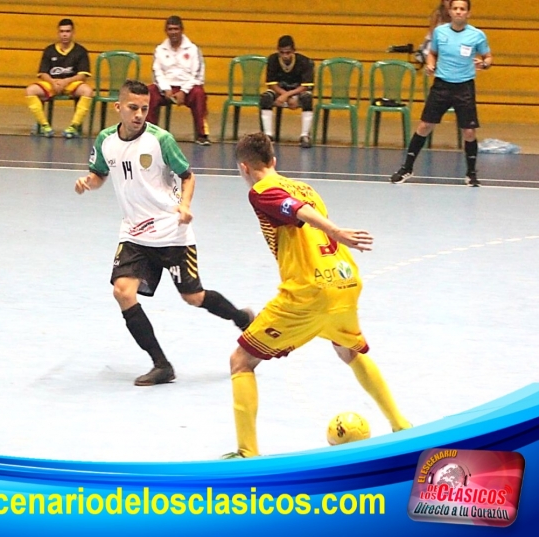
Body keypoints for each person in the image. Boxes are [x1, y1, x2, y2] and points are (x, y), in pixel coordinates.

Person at [223, 132, 411, 458]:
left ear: (244, 168)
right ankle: (401, 426)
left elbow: (296, 212)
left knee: (241, 361)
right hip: (344, 281)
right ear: (274, 161)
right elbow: (302, 209)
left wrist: (336, 231)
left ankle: (246, 454)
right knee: (350, 351)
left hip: (308, 293)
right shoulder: (305, 187)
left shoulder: (261, 192)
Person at [75, 80, 252, 386]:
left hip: (172, 233)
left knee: (193, 297)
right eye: (132, 108)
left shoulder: (161, 140)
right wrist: (88, 182)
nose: (139, 114)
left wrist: (184, 205)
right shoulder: (105, 140)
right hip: (134, 234)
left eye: (144, 108)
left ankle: (241, 318)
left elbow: (188, 176)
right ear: (118, 107)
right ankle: (161, 365)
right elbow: (100, 173)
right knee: (122, 292)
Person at [390, 0, 491, 187]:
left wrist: (484, 64)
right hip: (442, 86)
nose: (459, 12)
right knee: (424, 126)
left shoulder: (477, 35)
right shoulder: (440, 32)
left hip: (464, 87)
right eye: (455, 9)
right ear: (450, 12)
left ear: (468, 13)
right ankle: (407, 168)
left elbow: (488, 57)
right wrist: (430, 63)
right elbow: (432, 53)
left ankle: (471, 173)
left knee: (469, 131)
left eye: (462, 9)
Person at [147, 16, 211, 146]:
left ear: (182, 30)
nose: (173, 32)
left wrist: (183, 91)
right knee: (150, 91)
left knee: (199, 93)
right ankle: (149, 133)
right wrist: (166, 89)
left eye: (176, 29)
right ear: (166, 31)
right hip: (166, 89)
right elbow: (156, 72)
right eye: (170, 29)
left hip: (188, 88)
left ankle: (202, 135)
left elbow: (197, 75)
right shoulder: (160, 50)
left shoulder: (193, 49)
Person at [25, 18, 93, 139]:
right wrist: (53, 82)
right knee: (30, 90)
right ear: (58, 33)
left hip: (72, 83)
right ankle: (44, 126)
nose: (65, 34)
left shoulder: (80, 51)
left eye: (67, 31)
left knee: (87, 91)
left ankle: (73, 127)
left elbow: (82, 75)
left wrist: (65, 81)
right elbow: (42, 73)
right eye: (62, 31)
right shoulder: (49, 50)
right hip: (52, 83)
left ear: (73, 33)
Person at [260, 35, 315, 148]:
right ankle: (268, 135)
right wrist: (284, 95)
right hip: (279, 92)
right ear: (278, 51)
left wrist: (288, 96)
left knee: (307, 98)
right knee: (266, 98)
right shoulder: (272, 60)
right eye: (282, 53)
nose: (285, 56)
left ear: (294, 51)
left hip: (298, 92)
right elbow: (271, 84)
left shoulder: (305, 61)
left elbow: (305, 86)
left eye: (288, 52)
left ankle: (304, 135)